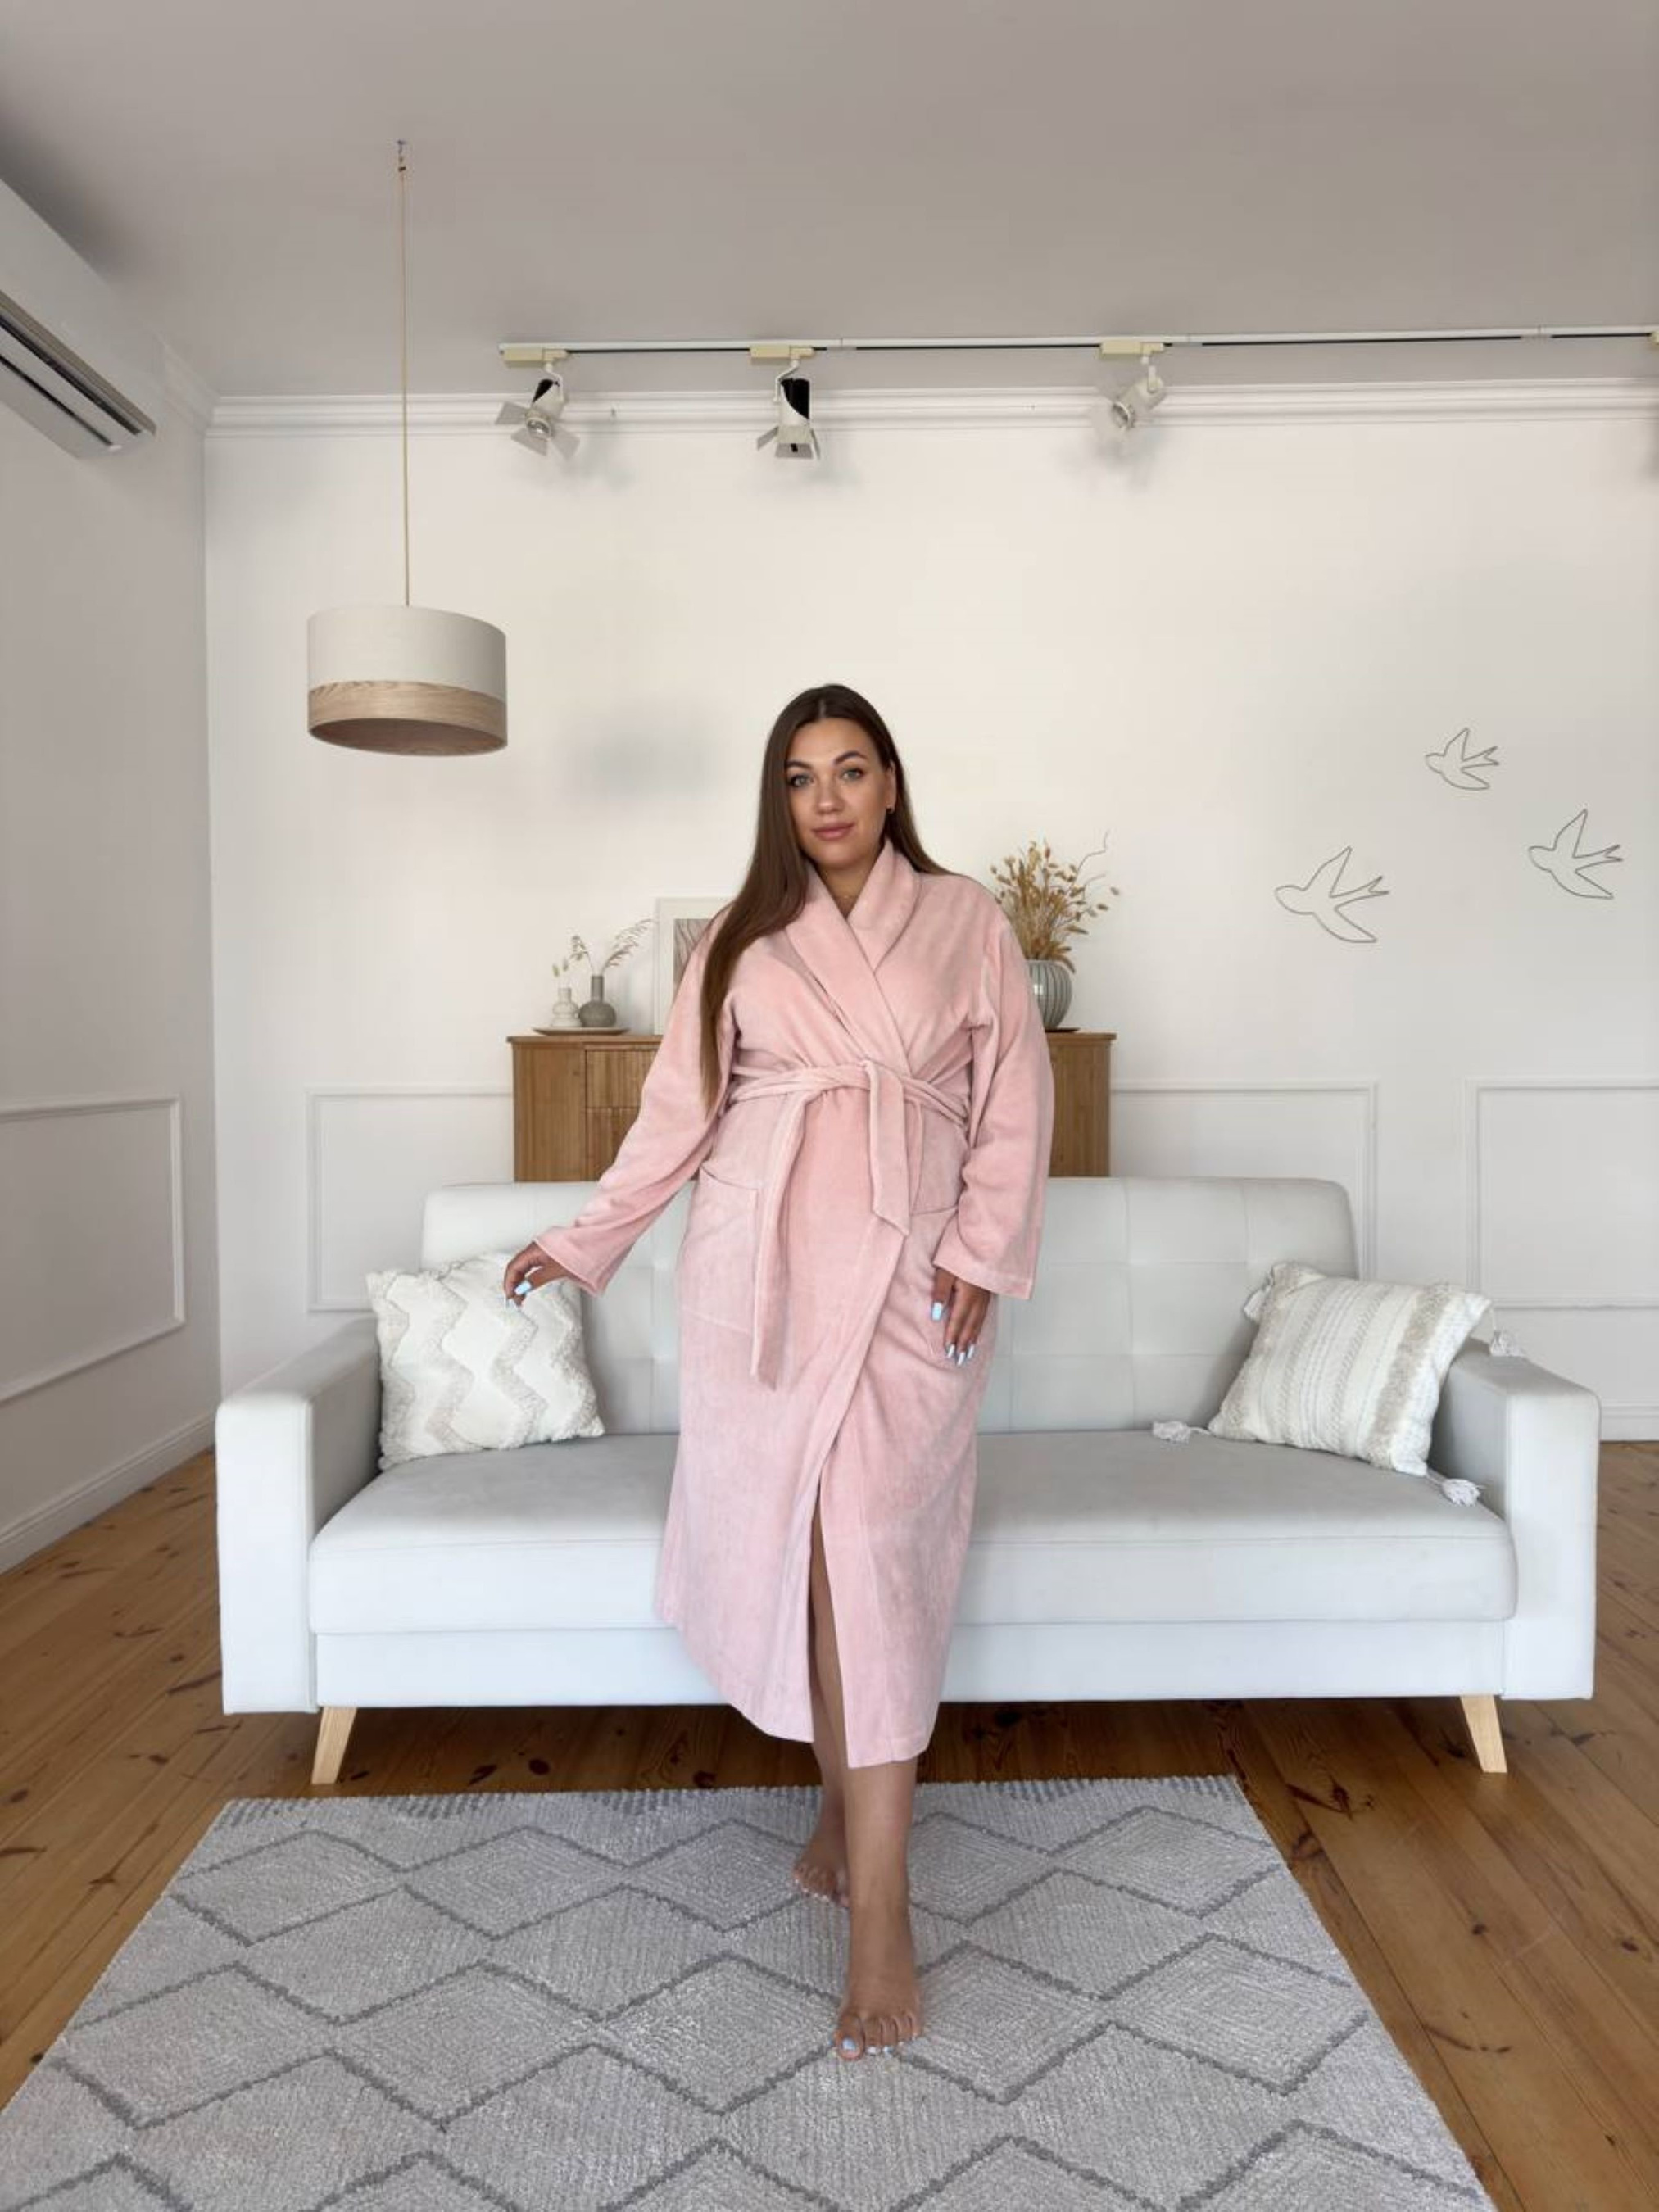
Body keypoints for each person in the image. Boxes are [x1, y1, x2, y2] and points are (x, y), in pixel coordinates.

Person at [502, 682, 1054, 2062]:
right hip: (761, 1278)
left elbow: (1014, 1100)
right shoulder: (738, 937)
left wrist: (981, 1250)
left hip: (911, 1274)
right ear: (779, 797)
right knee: (809, 1561)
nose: (827, 799)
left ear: (889, 783)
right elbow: (675, 1117)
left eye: (850, 770)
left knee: (875, 1561)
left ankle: (884, 1908)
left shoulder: (967, 919)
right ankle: (844, 1822)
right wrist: (583, 1239)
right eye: (801, 777)